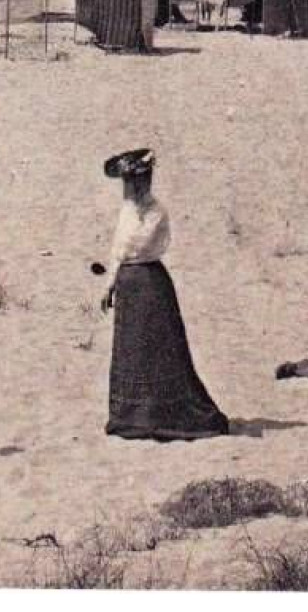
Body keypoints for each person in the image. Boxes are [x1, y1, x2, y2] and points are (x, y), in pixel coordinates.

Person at [99, 149, 230, 440]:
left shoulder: (156, 212)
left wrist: (121, 264)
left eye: (135, 182)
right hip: (129, 284)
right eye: (129, 182)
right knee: (131, 350)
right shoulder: (127, 211)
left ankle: (161, 415)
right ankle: (131, 417)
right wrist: (110, 285)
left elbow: (137, 247)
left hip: (148, 283)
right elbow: (117, 252)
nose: (131, 188)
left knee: (158, 348)